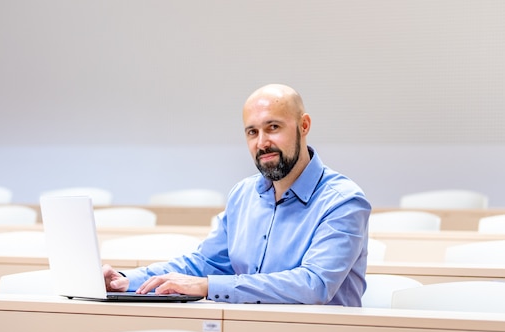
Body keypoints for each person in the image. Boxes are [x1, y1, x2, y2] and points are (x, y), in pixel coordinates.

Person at [103, 84, 371, 305]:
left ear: (304, 125)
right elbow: (204, 263)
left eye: (273, 128)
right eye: (252, 132)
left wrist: (208, 286)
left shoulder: (343, 202)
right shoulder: (243, 195)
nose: (262, 142)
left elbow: (313, 285)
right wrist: (126, 280)